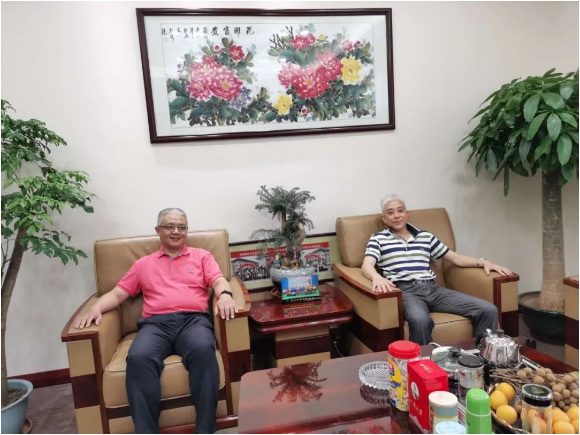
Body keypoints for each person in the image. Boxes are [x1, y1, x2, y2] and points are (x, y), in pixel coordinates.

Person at [73, 208, 237, 434]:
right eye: (170, 226)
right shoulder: (143, 264)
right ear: (158, 230)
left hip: (194, 321)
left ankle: (205, 429)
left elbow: (219, 281)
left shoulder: (202, 256)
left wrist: (225, 295)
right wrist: (95, 308)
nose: (176, 231)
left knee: (203, 350)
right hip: (156, 325)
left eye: (182, 227)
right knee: (138, 358)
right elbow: (118, 294)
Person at [362, 195, 512, 345]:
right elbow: (367, 265)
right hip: (407, 292)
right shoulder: (378, 239)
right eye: (390, 212)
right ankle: (424, 360)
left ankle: (484, 354)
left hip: (433, 289)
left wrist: (483, 262)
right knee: (420, 320)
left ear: (407, 214)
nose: (396, 216)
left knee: (488, 309)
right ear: (384, 219)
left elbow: (456, 258)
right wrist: (377, 277)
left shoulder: (425, 236)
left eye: (400, 211)